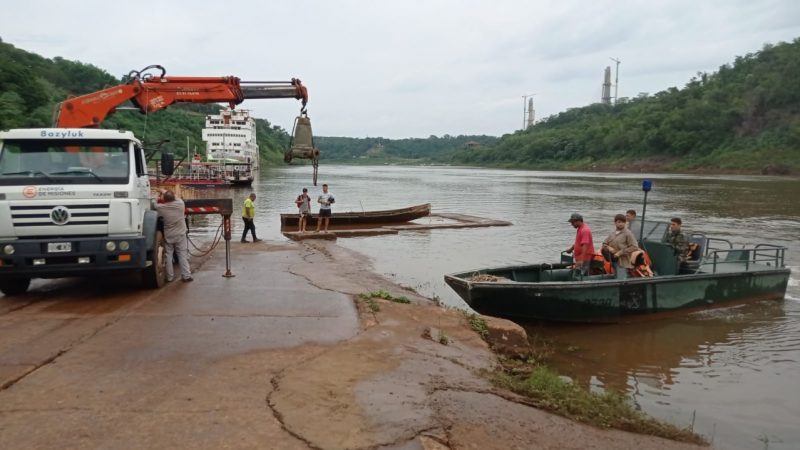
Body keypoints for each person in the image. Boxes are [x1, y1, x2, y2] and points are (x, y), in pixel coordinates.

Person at [155, 189, 192, 282]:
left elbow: (154, 202)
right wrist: (164, 191)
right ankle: (186, 276)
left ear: (165, 199)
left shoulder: (161, 208)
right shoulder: (180, 204)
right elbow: (176, 197)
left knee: (168, 256)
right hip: (181, 234)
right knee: (182, 255)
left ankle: (170, 277)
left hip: (169, 235)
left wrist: (158, 195)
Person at [602, 214, 639, 279]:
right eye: (619, 222)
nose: (621, 224)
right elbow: (604, 243)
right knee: (616, 276)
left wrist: (620, 253)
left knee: (621, 280)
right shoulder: (612, 233)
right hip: (613, 260)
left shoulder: (628, 233)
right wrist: (608, 248)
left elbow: (634, 246)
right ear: (615, 223)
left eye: (623, 222)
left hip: (623, 262)